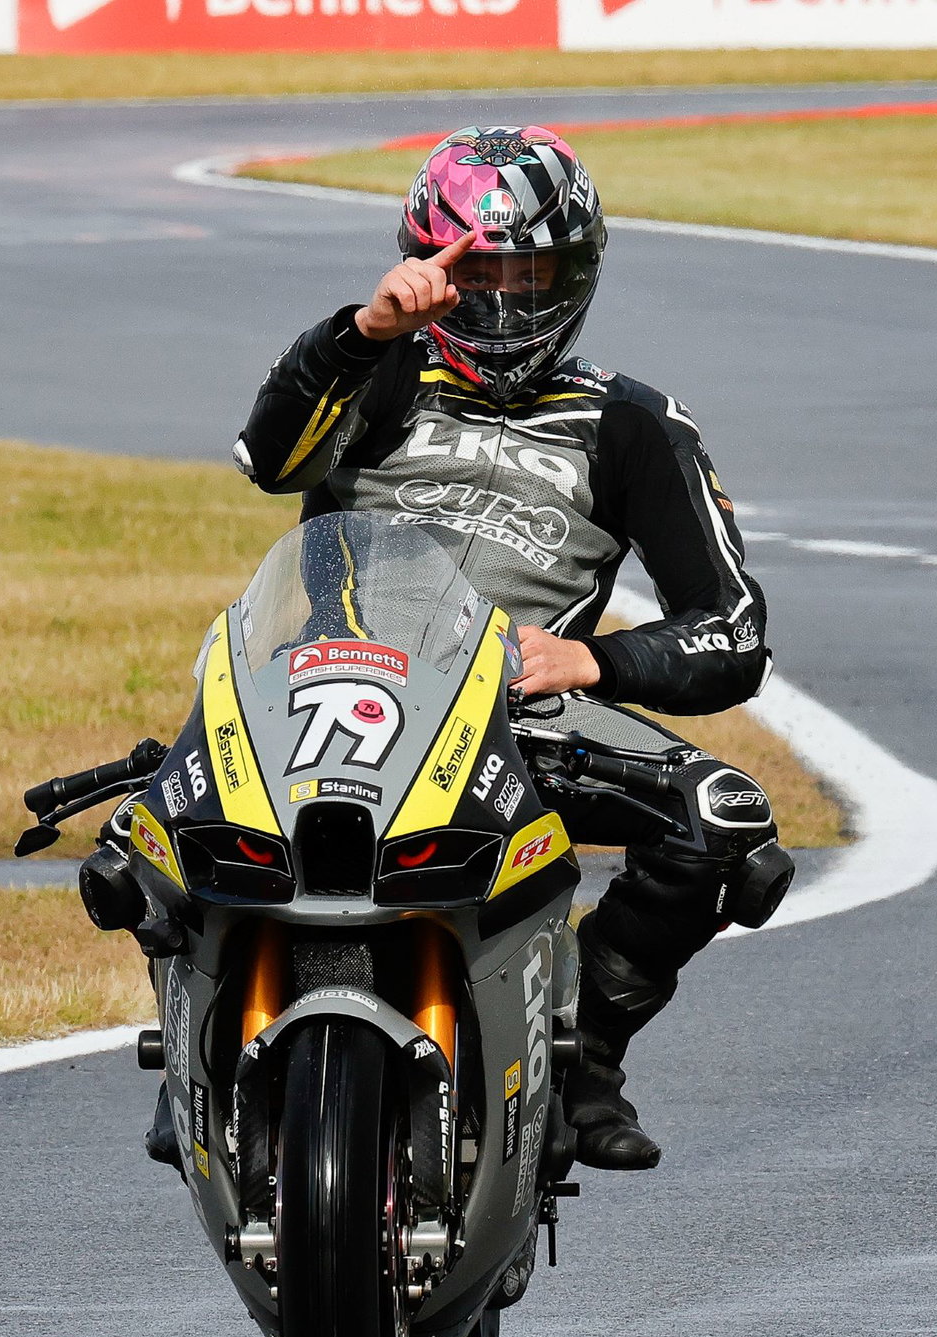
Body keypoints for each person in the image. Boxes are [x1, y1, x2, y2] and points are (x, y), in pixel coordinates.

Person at [225, 125, 783, 1171]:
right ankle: (206, 1044)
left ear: (577, 275)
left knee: (724, 822)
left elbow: (734, 629)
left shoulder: (634, 423)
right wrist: (362, 332)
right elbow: (266, 456)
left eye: (530, 275)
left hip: (518, 715)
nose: (501, 302)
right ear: (424, 260)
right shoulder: (372, 371)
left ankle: (584, 1055)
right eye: (476, 272)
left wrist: (600, 662)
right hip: (325, 688)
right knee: (143, 839)